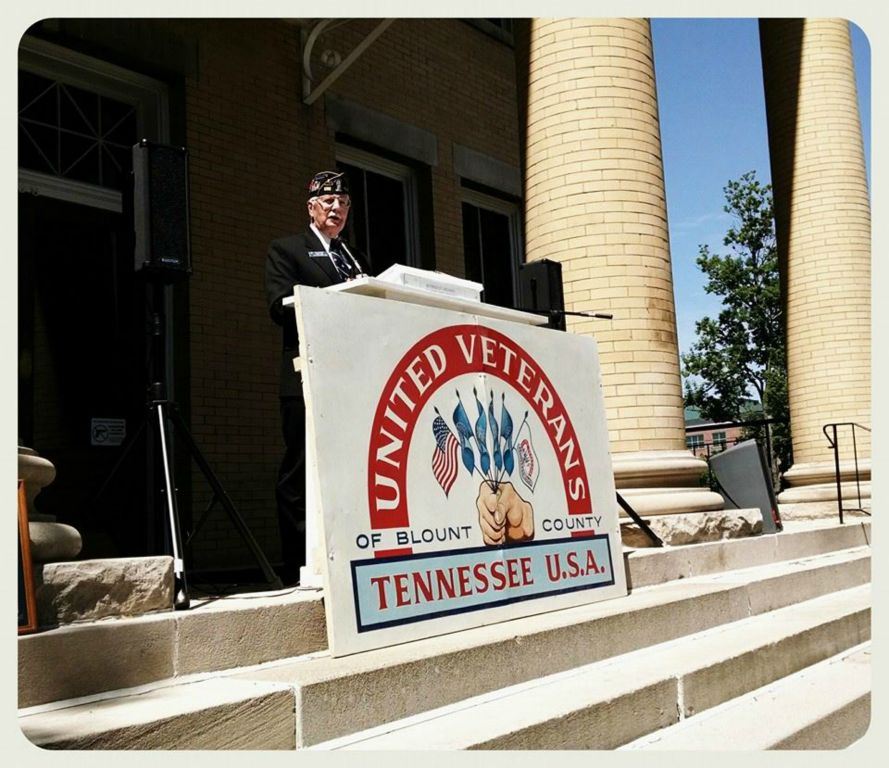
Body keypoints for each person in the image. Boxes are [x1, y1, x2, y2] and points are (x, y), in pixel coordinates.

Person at [265, 170, 369, 584]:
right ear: (311, 207)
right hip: (307, 375)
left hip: (352, 379)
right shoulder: (289, 250)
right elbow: (278, 305)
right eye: (328, 203)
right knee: (300, 472)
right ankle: (297, 568)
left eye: (343, 203)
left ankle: (342, 562)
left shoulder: (356, 258)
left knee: (346, 471)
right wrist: (329, 301)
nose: (337, 209)